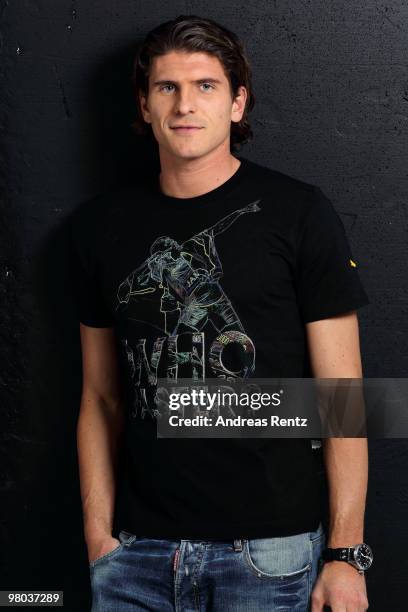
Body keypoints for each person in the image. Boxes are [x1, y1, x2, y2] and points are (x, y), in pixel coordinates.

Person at [70, 14, 372, 612]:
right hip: (136, 556)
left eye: (206, 86)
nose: (186, 104)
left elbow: (343, 397)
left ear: (237, 104)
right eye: (167, 88)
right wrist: (99, 541)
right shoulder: (100, 230)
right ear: (146, 105)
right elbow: (100, 399)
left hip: (269, 556)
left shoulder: (298, 213)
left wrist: (345, 555)